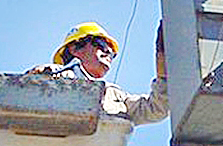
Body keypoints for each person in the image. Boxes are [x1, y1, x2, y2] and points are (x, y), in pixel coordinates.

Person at [29, 21, 168, 126]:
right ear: (75, 48)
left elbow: (156, 109)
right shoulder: (53, 77)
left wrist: (164, 63)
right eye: (101, 44)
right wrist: (42, 74)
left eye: (112, 53)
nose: (108, 52)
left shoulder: (114, 95)